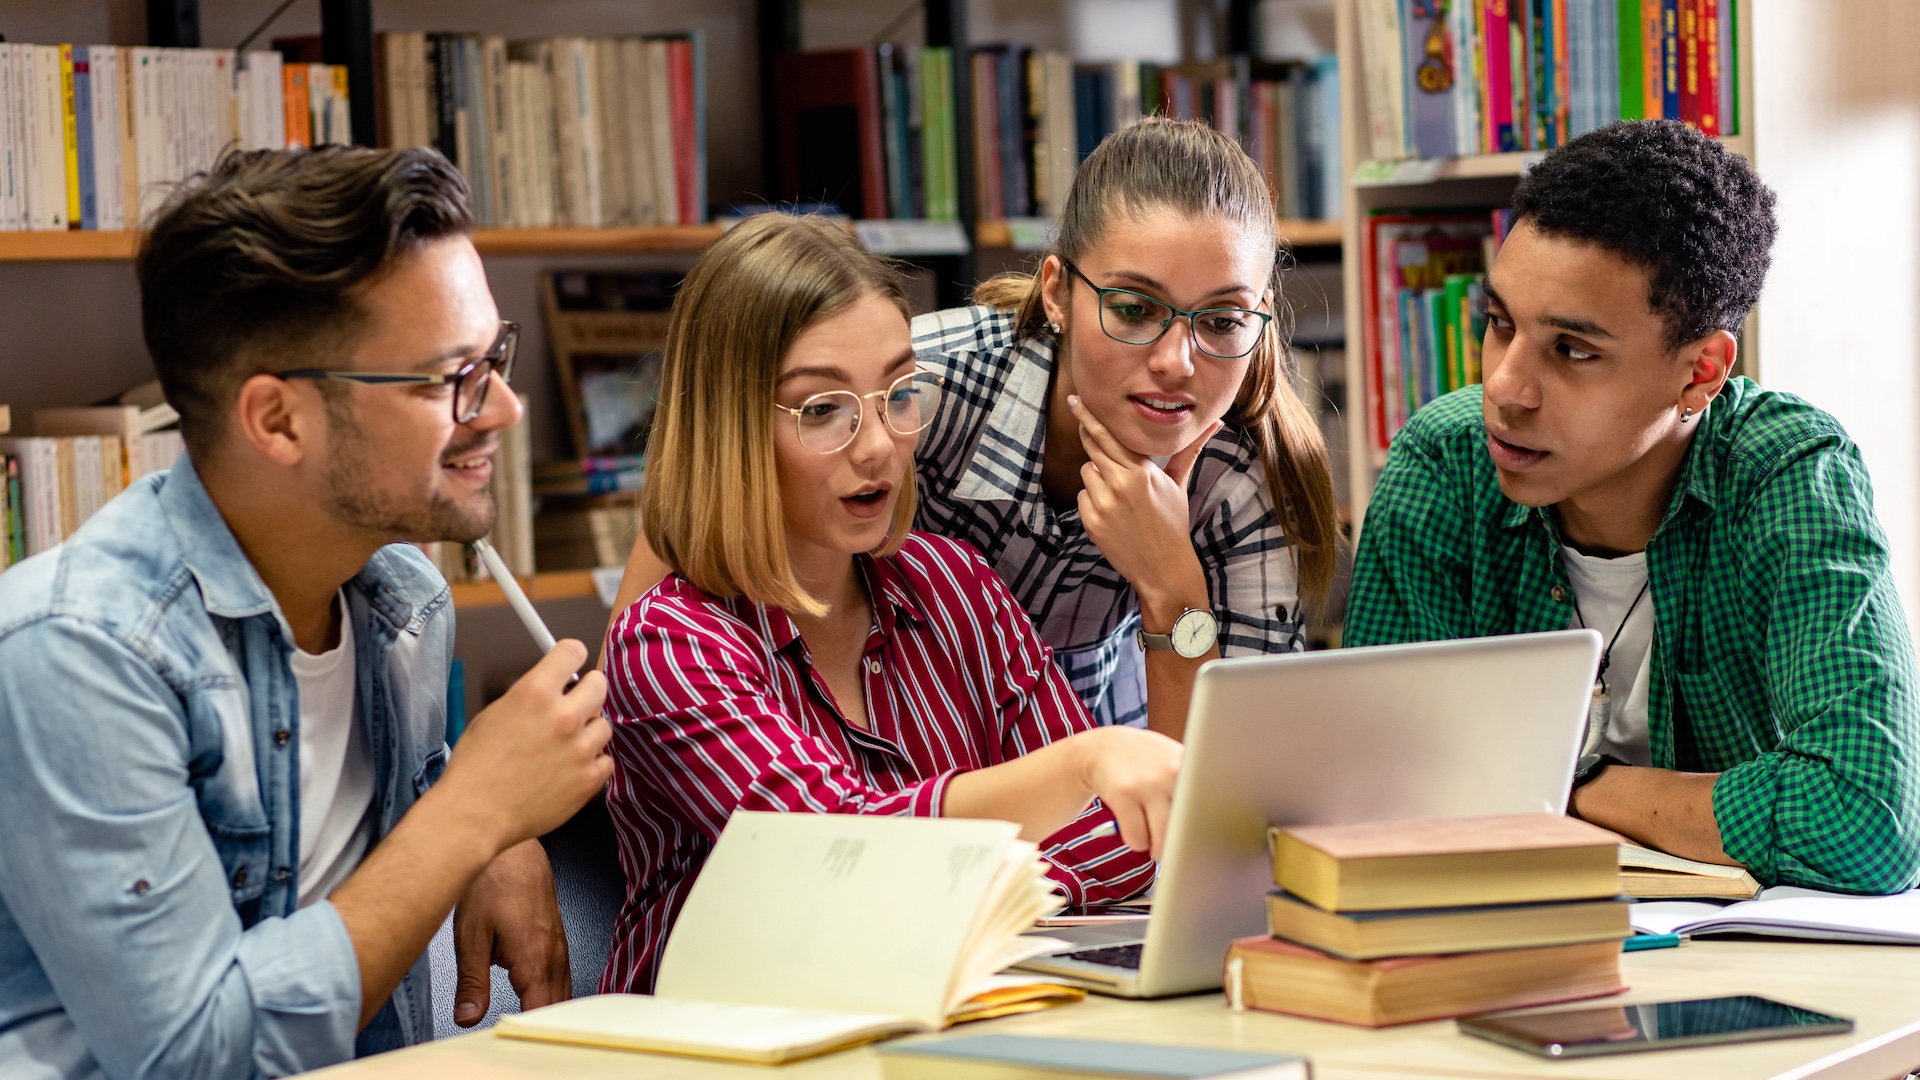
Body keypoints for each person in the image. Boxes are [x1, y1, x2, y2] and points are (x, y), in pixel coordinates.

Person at [0, 148, 614, 1078]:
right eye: (452, 376)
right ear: (277, 421)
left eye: (495, 358)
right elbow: (195, 1057)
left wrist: (495, 829)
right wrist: (471, 816)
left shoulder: (402, 604)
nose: (508, 408)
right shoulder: (78, 653)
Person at [599, 214, 1181, 992]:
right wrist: (1074, 770)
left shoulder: (954, 585)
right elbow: (838, 856)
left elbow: (1121, 837)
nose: (878, 444)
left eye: (899, 393)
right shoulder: (668, 643)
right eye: (822, 410)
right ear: (727, 424)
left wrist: (980, 893)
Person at [613, 118, 1340, 737]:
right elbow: (675, 557)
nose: (1177, 361)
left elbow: (1232, 801)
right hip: (862, 793)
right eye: (1133, 309)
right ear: (1057, 292)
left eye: (1220, 321)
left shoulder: (1240, 478)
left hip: (1097, 823)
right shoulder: (908, 392)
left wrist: (1171, 587)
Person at [1344, 120, 1920, 894]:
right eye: (1501, 324)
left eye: (1573, 351)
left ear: (1701, 373)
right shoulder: (1444, 465)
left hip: (1750, 966)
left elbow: (1869, 823)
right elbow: (1374, 790)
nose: (1507, 389)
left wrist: (1570, 784)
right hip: (1511, 948)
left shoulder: (1787, 473)